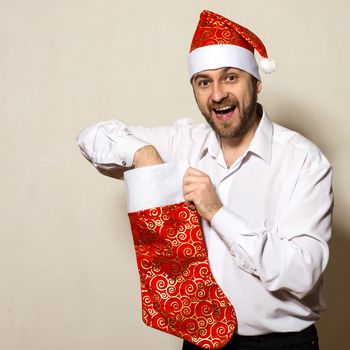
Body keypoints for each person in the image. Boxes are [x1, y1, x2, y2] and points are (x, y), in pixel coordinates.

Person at [77, 10, 333, 350]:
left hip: (282, 344)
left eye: (230, 78)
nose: (216, 94)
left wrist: (216, 211)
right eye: (204, 82)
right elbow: (92, 136)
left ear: (256, 83)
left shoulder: (303, 161)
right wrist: (144, 155)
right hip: (201, 342)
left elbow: (302, 274)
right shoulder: (183, 142)